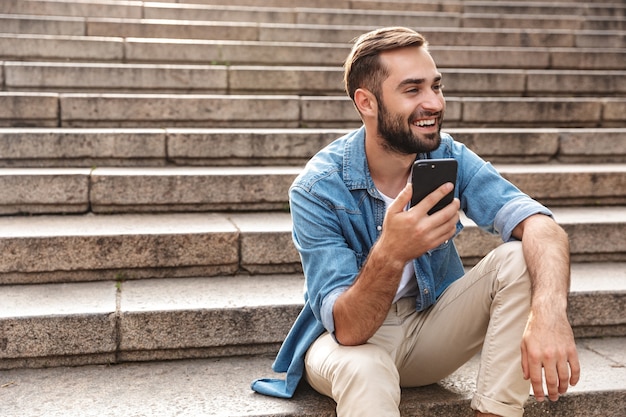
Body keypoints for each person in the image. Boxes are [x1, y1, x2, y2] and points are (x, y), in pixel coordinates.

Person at [251, 26, 580, 417]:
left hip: (431, 329)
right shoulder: (319, 188)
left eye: (435, 86)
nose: (434, 103)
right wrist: (391, 253)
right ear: (366, 102)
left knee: (520, 255)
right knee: (367, 369)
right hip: (347, 344)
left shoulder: (447, 156)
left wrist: (549, 315)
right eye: (413, 90)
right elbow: (349, 329)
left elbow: (542, 226)